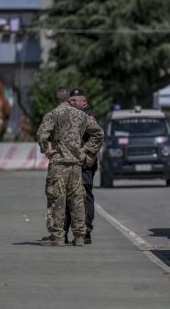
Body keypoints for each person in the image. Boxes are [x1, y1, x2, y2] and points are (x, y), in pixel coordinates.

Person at [37, 88, 104, 247]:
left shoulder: (52, 114)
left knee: (57, 199)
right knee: (78, 200)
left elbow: (42, 135)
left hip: (59, 164)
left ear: (56, 100)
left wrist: (46, 150)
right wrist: (86, 150)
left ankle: (57, 236)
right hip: (76, 164)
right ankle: (80, 236)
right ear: (68, 99)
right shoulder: (82, 115)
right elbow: (99, 133)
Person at [66, 88, 100, 244]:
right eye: (70, 100)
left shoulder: (88, 116)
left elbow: (98, 136)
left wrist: (91, 154)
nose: (72, 102)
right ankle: (66, 231)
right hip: (73, 161)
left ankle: (86, 231)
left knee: (84, 196)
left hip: (85, 163)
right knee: (69, 197)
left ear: (84, 102)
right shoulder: (73, 115)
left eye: (75, 100)